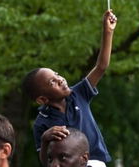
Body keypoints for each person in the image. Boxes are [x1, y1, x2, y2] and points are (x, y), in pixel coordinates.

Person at [22, 10, 117, 167]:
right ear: (42, 99)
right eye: (52, 82)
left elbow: (101, 66)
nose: (60, 79)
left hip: (94, 162)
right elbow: (45, 161)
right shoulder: (42, 122)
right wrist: (45, 139)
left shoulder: (78, 93)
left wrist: (108, 31)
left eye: (57, 75)